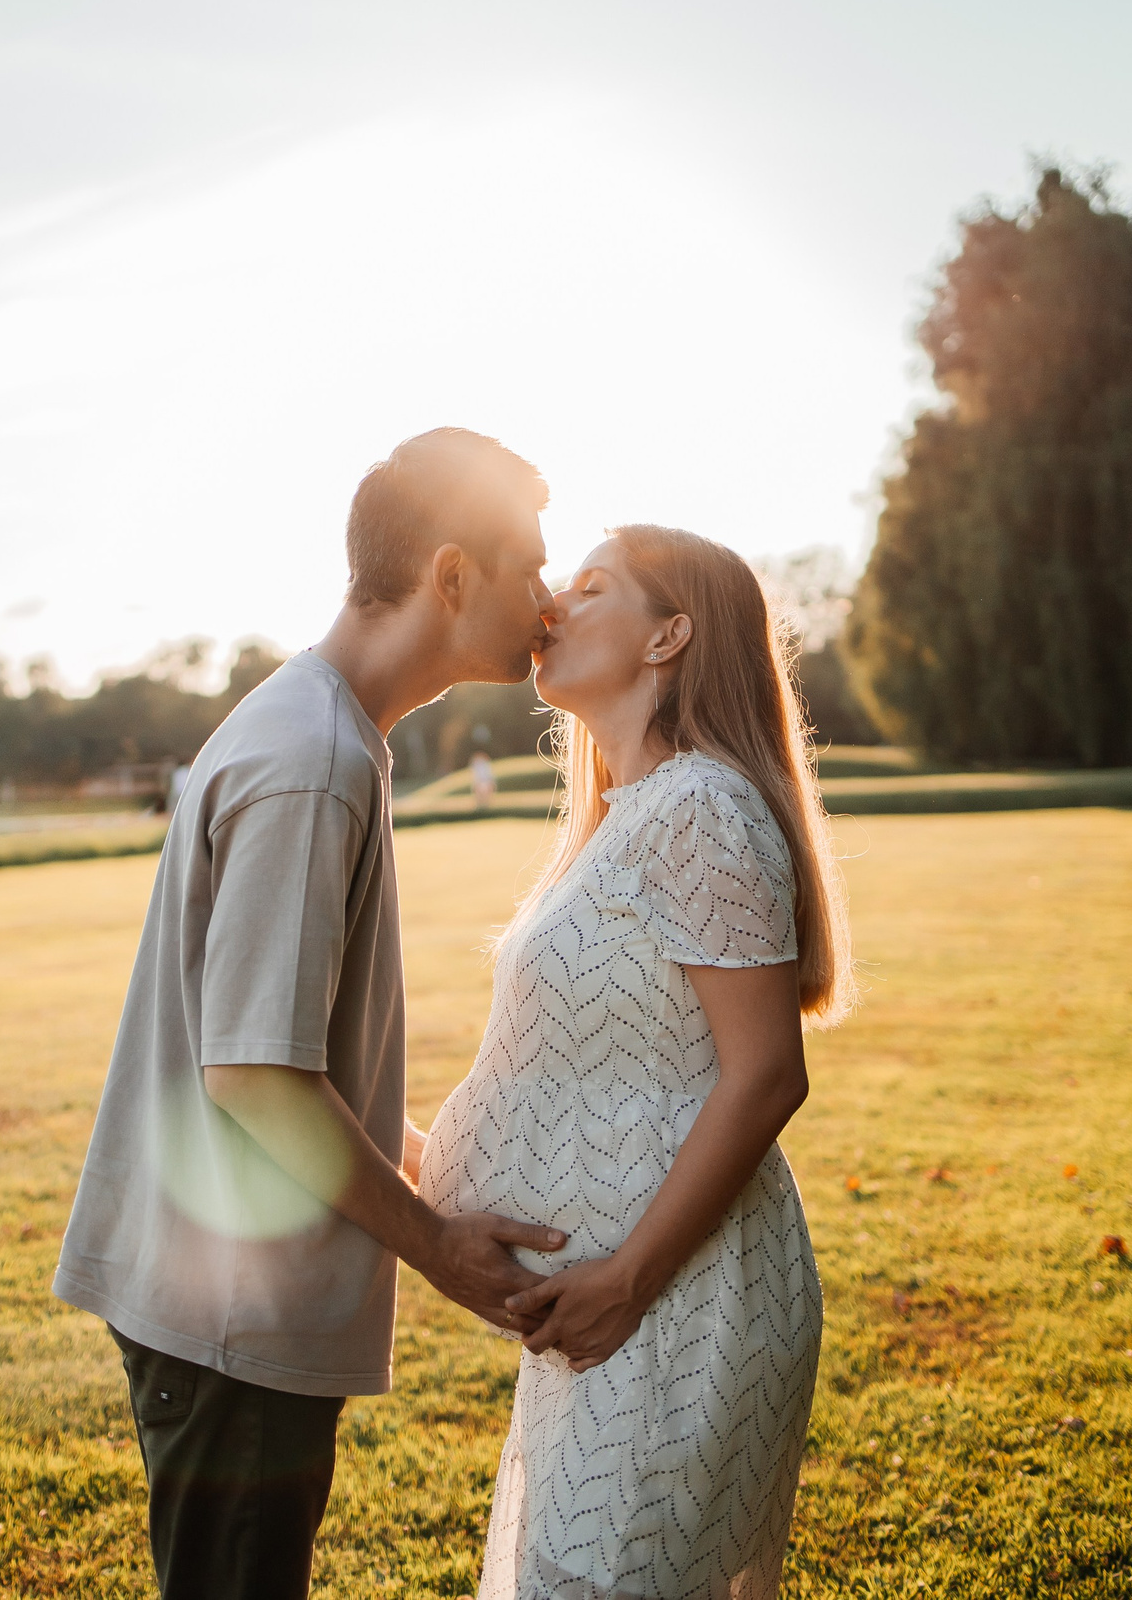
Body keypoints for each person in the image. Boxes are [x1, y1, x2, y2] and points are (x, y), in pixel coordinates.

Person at [52, 427, 569, 1600]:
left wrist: (431, 1166)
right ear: (448, 578)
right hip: (229, 1313)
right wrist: (436, 1248)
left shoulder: (325, 731)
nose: (547, 596)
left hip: (223, 1301)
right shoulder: (313, 759)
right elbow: (256, 1079)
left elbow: (289, 1052)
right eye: (528, 566)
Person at [419, 524, 854, 1600]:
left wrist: (625, 1276)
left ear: (671, 634)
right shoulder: (628, 816)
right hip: (615, 1311)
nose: (551, 605)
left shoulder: (701, 807)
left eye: (591, 585)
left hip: (673, 1297)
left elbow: (767, 1075)